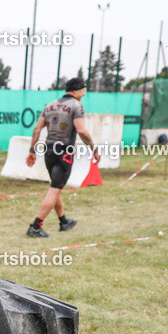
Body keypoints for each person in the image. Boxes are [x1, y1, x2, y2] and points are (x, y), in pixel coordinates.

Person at [25, 77, 100, 238]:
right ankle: (36, 226)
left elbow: (37, 128)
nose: (84, 93)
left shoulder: (50, 105)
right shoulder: (76, 106)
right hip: (64, 152)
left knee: (56, 185)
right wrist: (94, 148)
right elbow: (82, 131)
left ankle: (63, 221)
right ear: (76, 91)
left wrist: (32, 150)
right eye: (83, 90)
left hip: (49, 151)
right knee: (55, 189)